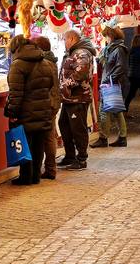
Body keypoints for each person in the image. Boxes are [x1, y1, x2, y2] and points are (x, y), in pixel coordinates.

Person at [6, 34, 60, 185]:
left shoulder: (17, 65)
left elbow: (15, 94)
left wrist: (12, 113)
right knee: (38, 144)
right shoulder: (45, 63)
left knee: (25, 144)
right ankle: (35, 175)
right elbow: (50, 85)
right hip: (43, 109)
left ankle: (26, 177)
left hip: (26, 111)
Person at [57, 29, 96, 171]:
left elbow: (81, 73)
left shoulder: (81, 53)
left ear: (72, 39)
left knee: (78, 128)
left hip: (78, 98)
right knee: (64, 125)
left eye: (65, 40)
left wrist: (64, 85)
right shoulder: (73, 52)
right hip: (69, 98)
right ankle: (70, 156)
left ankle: (81, 159)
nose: (64, 43)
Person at [31, 36, 62, 180]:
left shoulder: (44, 63)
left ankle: (49, 169)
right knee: (50, 137)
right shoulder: (52, 62)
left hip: (47, 104)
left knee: (46, 138)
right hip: (53, 102)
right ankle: (51, 168)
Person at [99, 26, 130, 147]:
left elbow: (121, 67)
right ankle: (122, 137)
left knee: (105, 109)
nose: (105, 39)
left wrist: (109, 79)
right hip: (111, 81)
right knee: (117, 110)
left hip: (111, 83)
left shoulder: (118, 49)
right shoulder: (111, 49)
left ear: (111, 36)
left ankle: (103, 138)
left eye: (106, 36)